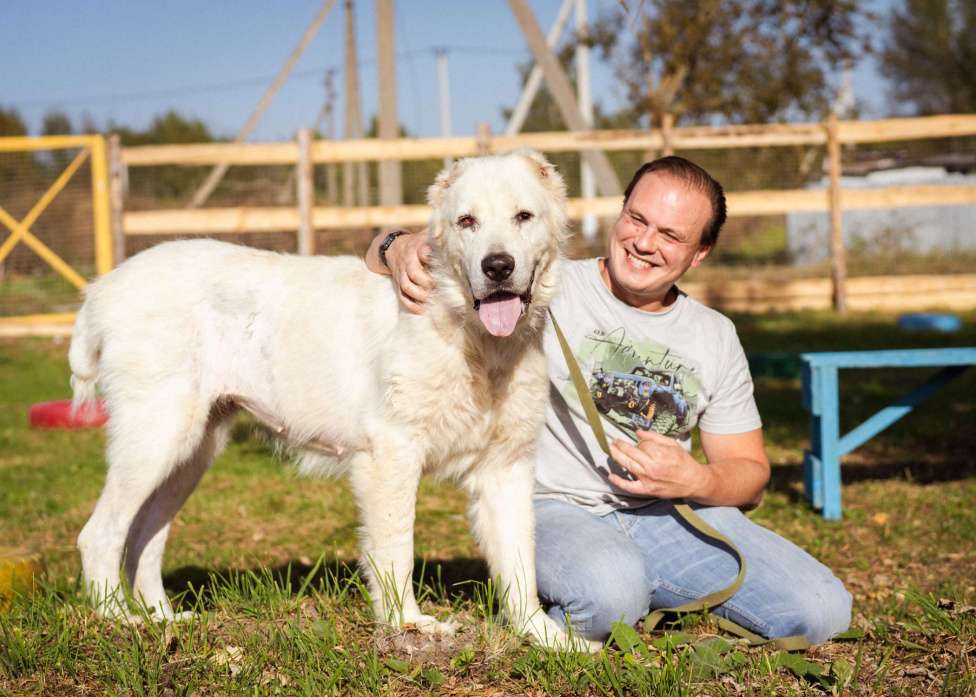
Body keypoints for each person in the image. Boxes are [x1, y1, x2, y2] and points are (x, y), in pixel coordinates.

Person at [365, 156, 852, 644]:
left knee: (823, 611)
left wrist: (695, 477)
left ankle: (641, 584)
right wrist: (398, 245)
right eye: (637, 219)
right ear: (621, 214)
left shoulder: (716, 336)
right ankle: (602, 596)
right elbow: (435, 247)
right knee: (609, 598)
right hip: (556, 511)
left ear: (700, 253)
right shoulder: (544, 283)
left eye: (670, 235)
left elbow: (749, 475)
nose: (644, 243)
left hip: (668, 514)